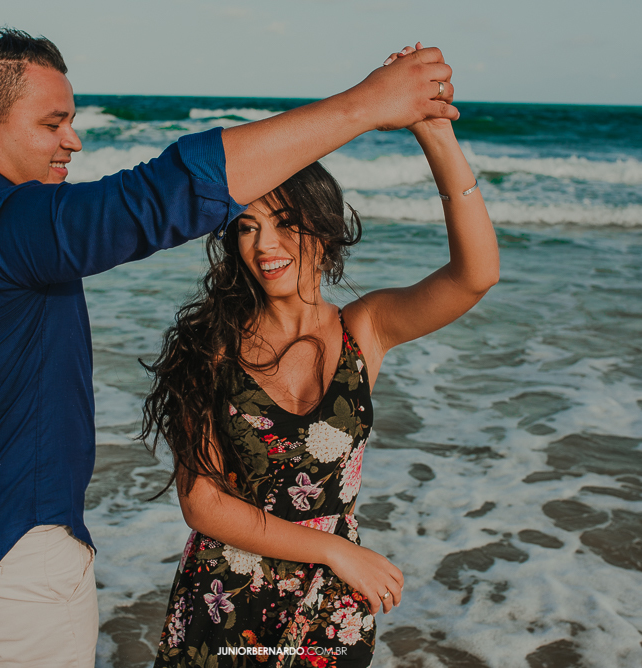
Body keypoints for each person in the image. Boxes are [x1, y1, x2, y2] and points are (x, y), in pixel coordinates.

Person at [0, 29, 457, 668]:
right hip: (11, 556)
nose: (74, 139)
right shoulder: (6, 228)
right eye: (53, 122)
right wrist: (366, 105)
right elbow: (156, 197)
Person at [142, 43, 498, 668]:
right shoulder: (210, 347)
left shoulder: (366, 329)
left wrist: (432, 133)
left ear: (323, 228)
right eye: (247, 227)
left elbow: (475, 275)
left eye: (286, 223)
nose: (265, 245)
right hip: (226, 599)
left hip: (329, 608)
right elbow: (202, 501)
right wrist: (336, 549)